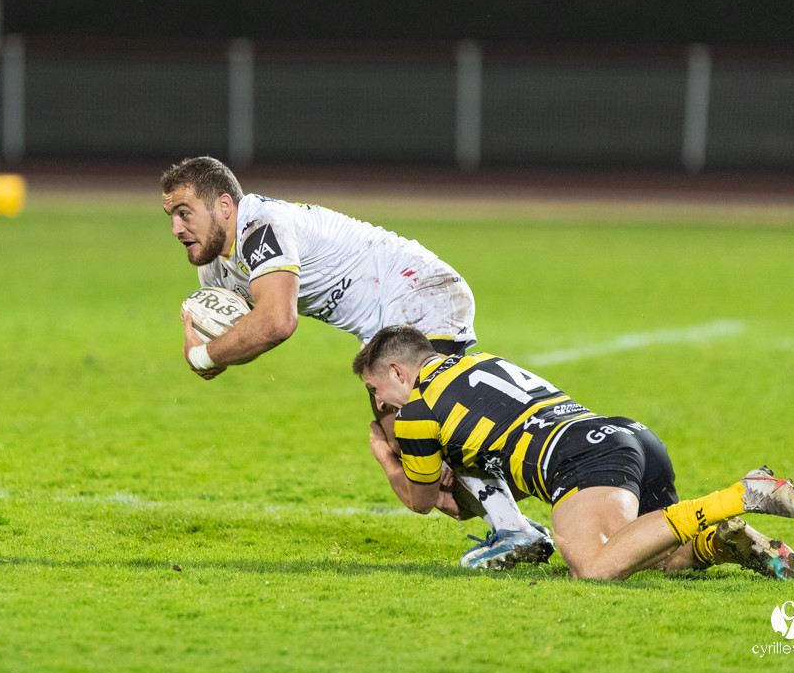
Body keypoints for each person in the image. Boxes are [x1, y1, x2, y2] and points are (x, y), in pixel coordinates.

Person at [160, 155, 552, 569]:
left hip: (418, 291)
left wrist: (201, 355)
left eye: (185, 213)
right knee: (407, 446)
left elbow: (276, 322)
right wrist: (206, 349)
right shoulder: (216, 271)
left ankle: (527, 510)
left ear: (224, 206)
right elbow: (238, 342)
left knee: (429, 427)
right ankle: (519, 524)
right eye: (170, 216)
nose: (176, 228)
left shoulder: (261, 227)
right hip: (386, 326)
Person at [353, 324, 794, 580]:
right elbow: (482, 461)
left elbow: (422, 499)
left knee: (594, 567)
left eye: (376, 389)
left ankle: (739, 495)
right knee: (648, 554)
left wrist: (384, 454)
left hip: (580, 460)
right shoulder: (482, 361)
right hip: (623, 436)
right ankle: (718, 540)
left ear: (397, 370)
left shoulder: (417, 412)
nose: (380, 403)